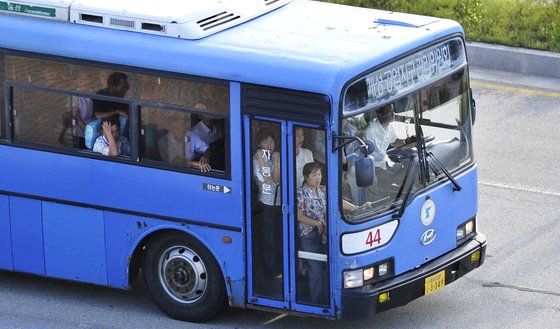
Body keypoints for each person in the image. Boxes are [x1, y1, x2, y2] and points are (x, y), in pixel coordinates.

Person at [252, 129, 282, 282]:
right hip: (266, 204)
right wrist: (261, 157)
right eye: (265, 143)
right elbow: (267, 179)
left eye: (271, 142)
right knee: (268, 239)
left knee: (279, 237)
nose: (269, 145)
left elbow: (277, 178)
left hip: (280, 203)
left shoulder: (277, 157)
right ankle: (270, 271)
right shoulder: (257, 161)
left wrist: (276, 160)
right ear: (259, 145)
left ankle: (280, 267)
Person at [297, 162, 328, 305]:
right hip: (309, 236)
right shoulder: (300, 193)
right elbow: (299, 216)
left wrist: (359, 206)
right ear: (306, 176)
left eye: (320, 174)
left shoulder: (323, 190)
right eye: (314, 175)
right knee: (314, 269)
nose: (318, 178)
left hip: (324, 235)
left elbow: (339, 203)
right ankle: (314, 302)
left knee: (324, 268)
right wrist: (318, 224)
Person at [362, 103, 413, 170]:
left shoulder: (390, 126)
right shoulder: (369, 131)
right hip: (373, 167)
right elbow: (363, 156)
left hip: (385, 162)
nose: (393, 114)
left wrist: (407, 141)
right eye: (390, 112)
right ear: (380, 115)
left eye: (393, 111)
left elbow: (394, 141)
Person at [184, 104, 224, 172]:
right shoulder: (194, 132)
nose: (210, 115)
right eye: (206, 113)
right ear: (199, 116)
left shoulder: (218, 127)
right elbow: (176, 160)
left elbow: (207, 148)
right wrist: (198, 164)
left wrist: (206, 156)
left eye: (211, 112)